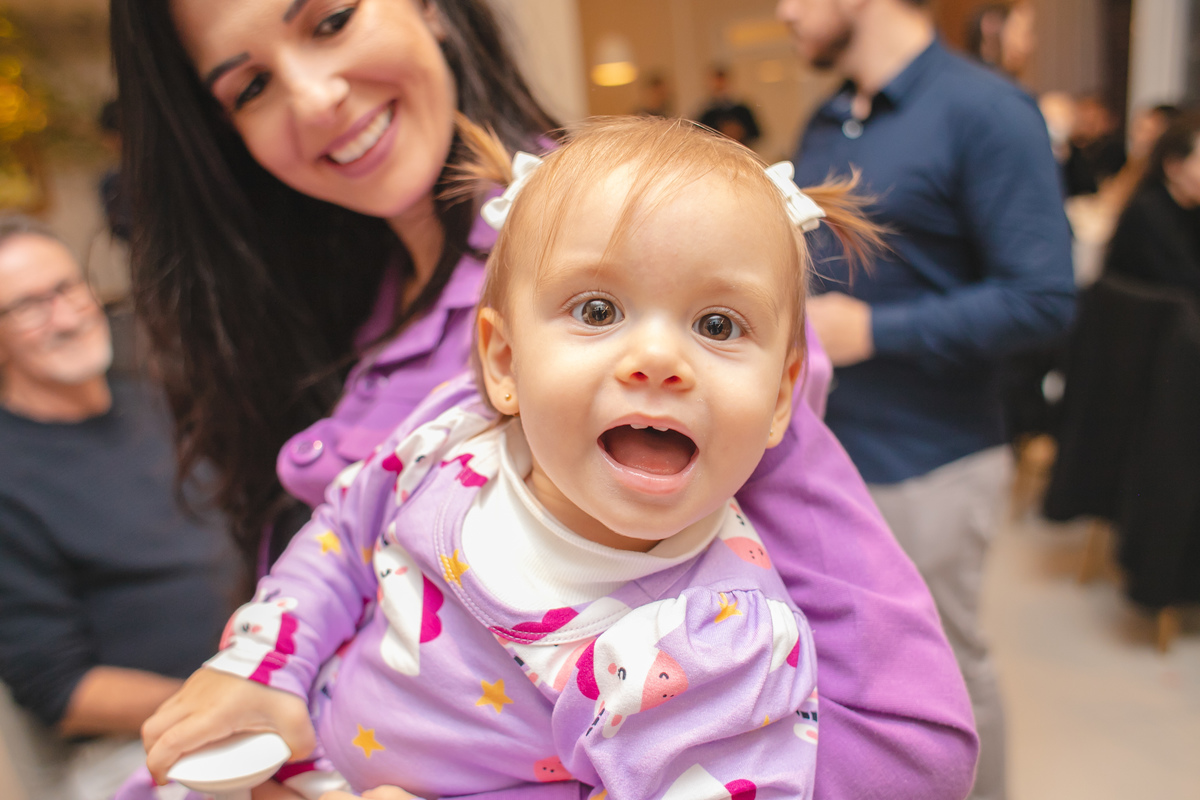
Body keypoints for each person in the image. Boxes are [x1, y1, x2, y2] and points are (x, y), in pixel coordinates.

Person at [110, 1, 978, 797]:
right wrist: (260, 668)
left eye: (331, 19)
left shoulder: (711, 637)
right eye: (250, 84)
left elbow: (910, 753)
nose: (315, 96)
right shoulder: (440, 428)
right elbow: (341, 537)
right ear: (497, 358)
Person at [774, 1, 1075, 799]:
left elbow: (1044, 298)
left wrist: (879, 330)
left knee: (944, 679)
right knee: (848, 681)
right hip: (827, 458)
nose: (783, 11)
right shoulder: (829, 116)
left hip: (932, 457)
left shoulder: (985, 110)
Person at [0, 215, 239, 800]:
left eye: (67, 287)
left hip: (265, 682)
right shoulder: (9, 475)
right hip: (144, 743)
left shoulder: (154, 398)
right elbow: (63, 691)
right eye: (28, 306)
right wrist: (225, 694)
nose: (66, 314)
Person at [1104, 110, 1200, 298]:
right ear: (1173, 167)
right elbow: (1182, 284)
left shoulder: (1193, 210)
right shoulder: (1149, 212)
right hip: (1148, 320)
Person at [695, 66, 762, 148]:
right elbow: (698, 136)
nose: (719, 87)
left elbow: (756, 133)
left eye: (722, 83)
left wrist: (740, 133)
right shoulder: (708, 114)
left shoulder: (742, 110)